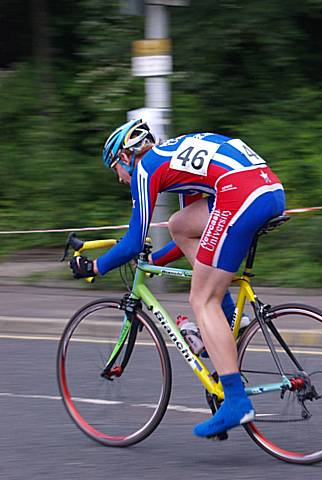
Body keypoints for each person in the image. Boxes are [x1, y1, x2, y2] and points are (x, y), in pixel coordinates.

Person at [69, 119, 286, 438]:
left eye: (115, 167)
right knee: (180, 223)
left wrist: (95, 268)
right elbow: (191, 232)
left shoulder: (146, 168)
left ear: (127, 157)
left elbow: (132, 241)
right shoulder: (177, 163)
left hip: (241, 193)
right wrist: (153, 261)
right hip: (267, 188)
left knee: (201, 298)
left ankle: (237, 402)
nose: (118, 177)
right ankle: (227, 321)